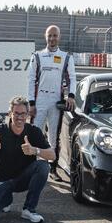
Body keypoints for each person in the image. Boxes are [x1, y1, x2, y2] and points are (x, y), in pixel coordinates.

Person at [0, 96, 56, 223]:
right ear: (10, 113)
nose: (20, 117)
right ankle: (6, 199)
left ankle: (28, 210)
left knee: (43, 166)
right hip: (1, 179)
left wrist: (35, 150)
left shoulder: (34, 131)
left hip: (22, 179)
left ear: (27, 114)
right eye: (16, 113)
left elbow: (52, 155)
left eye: (23, 113)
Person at [27, 25, 76, 175]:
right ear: (45, 36)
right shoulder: (37, 56)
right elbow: (31, 80)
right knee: (34, 133)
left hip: (56, 100)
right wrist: (31, 103)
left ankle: (52, 168)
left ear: (59, 37)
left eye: (55, 35)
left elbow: (72, 78)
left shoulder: (66, 57)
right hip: (40, 99)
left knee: (53, 135)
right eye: (50, 35)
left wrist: (71, 96)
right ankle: (30, 166)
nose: (52, 38)